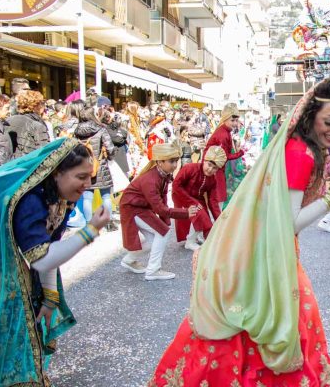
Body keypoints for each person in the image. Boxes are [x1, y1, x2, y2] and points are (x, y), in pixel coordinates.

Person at [145, 75, 330, 387]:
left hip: (266, 247)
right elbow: (290, 223)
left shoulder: (300, 148)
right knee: (283, 324)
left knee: (268, 324)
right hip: (270, 250)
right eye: (329, 121)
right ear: (310, 117)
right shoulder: (300, 153)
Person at [0, 139, 110, 387]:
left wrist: (50, 297)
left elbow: (48, 249)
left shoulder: (59, 197)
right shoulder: (31, 200)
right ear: (56, 172)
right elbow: (43, 260)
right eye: (80, 177)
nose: (86, 185)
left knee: (13, 318)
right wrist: (90, 230)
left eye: (89, 178)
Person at [119, 143, 198, 281]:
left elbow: (162, 200)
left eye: (176, 161)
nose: (175, 165)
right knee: (163, 233)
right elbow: (160, 208)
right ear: (159, 162)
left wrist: (166, 220)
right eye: (171, 161)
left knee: (155, 239)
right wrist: (185, 213)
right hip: (133, 208)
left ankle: (129, 260)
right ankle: (153, 271)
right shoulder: (151, 179)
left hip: (137, 207)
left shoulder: (161, 174)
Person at [172, 146, 226, 251]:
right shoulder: (190, 168)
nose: (210, 169)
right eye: (209, 165)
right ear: (204, 160)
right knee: (200, 214)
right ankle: (190, 242)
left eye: (214, 168)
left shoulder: (213, 180)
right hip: (181, 194)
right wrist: (191, 202)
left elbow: (212, 201)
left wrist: (219, 220)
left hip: (197, 198)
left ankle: (197, 237)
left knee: (205, 216)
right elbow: (176, 185)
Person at [75, 107, 116, 226]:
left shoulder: (77, 131)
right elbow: (110, 147)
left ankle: (89, 223)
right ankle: (108, 222)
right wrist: (110, 157)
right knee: (106, 196)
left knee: (87, 197)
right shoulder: (101, 129)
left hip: (84, 167)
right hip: (100, 165)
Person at [204, 103, 245, 205]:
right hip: (214, 169)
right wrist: (240, 153)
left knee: (216, 199)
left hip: (215, 168)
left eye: (236, 120)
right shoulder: (223, 134)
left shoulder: (224, 131)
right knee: (217, 199)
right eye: (232, 120)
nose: (235, 123)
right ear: (225, 119)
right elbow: (223, 157)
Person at [8, 90, 50, 158]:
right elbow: (44, 153)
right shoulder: (37, 125)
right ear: (35, 106)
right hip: (30, 164)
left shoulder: (8, 121)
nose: (44, 106)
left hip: (11, 165)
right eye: (42, 103)